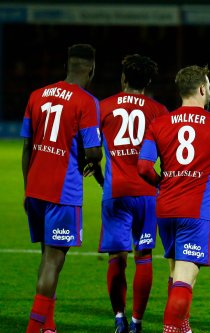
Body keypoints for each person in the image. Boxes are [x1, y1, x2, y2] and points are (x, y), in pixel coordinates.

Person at [137, 65, 210, 333]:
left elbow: (143, 167)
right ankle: (172, 329)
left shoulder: (159, 123)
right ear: (202, 89)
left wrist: (163, 182)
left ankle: (183, 325)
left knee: (175, 272)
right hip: (195, 212)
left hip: (166, 209)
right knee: (184, 279)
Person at [21, 43, 102, 333]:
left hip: (35, 190)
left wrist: (27, 188)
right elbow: (93, 152)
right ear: (91, 70)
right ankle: (34, 328)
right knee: (54, 263)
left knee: (46, 259)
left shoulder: (37, 95)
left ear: (66, 66)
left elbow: (28, 147)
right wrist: (95, 161)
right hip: (62, 194)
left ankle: (48, 325)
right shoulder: (86, 101)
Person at [96, 54, 168, 333]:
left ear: (123, 78)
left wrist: (101, 178)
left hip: (116, 192)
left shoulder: (104, 107)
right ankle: (137, 322)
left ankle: (119, 319)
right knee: (144, 255)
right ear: (148, 81)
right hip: (148, 192)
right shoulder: (159, 110)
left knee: (117, 257)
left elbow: (88, 152)